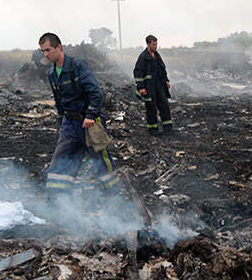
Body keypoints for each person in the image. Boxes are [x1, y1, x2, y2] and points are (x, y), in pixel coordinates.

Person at [38, 32, 120, 194]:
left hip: (88, 122)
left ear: (59, 47)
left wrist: (90, 116)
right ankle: (57, 199)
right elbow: (58, 99)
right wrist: (61, 122)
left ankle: (115, 193)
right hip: (70, 123)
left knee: (100, 159)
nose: (46, 54)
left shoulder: (77, 66)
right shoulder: (52, 73)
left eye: (48, 50)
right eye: (43, 51)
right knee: (61, 159)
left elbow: (95, 92)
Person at [133, 35, 173, 136]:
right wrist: (141, 87)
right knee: (151, 108)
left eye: (156, 44)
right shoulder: (143, 57)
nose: (156, 46)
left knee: (164, 105)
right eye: (154, 44)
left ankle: (168, 129)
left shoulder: (157, 55)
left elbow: (162, 69)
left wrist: (166, 81)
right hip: (149, 87)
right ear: (148, 44)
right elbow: (138, 72)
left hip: (159, 85)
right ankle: (153, 130)